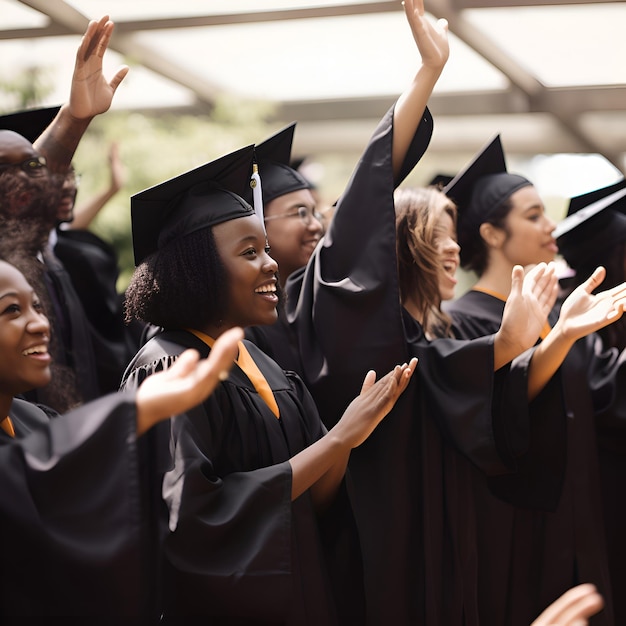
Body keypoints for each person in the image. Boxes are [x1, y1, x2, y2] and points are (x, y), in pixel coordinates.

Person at [275, 1, 592, 623]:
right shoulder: (360, 323)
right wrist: (425, 78)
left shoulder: (433, 331)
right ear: (395, 246)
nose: (454, 246)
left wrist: (550, 338)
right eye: (437, 232)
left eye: (454, 232)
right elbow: (363, 217)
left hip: (447, 537)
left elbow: (473, 405)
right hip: (384, 545)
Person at [120, 144, 417, 624]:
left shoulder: (267, 367)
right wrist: (338, 438)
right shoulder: (167, 370)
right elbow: (191, 517)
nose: (271, 263)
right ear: (197, 270)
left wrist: (346, 439)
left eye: (266, 248)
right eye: (249, 252)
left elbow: (317, 499)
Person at [442, 134, 626, 626]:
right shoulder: (462, 324)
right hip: (513, 538)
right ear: (492, 234)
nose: (551, 228)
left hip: (580, 524)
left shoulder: (560, 317)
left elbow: (610, 392)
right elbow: (488, 421)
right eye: (533, 215)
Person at [0, 256, 243, 619]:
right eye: (11, 310)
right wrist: (135, 412)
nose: (39, 323)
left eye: (37, 305)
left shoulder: (37, 421)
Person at [0, 16, 129, 412]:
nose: (32, 179)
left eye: (36, 167)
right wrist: (73, 119)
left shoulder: (47, 261)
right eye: (11, 171)